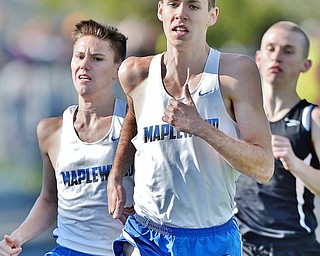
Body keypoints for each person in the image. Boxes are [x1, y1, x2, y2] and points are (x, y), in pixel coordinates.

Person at [107, 1, 274, 255]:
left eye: (193, 6)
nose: (181, 14)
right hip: (147, 234)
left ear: (212, 16)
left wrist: (201, 127)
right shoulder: (134, 73)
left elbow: (263, 167)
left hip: (212, 237)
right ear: (161, 10)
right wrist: (116, 174)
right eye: (173, 4)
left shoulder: (235, 73)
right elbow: (134, 118)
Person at [0, 19, 134, 256]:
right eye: (79, 56)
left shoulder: (134, 125)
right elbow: (50, 200)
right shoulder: (51, 131)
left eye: (97, 58)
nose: (85, 65)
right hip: (67, 250)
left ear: (117, 69)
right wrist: (17, 237)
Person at [235, 21, 320, 256]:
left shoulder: (311, 118)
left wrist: (294, 163)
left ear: (306, 65)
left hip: (293, 246)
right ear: (259, 58)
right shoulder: (236, 117)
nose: (277, 57)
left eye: (288, 51)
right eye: (271, 49)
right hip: (239, 245)